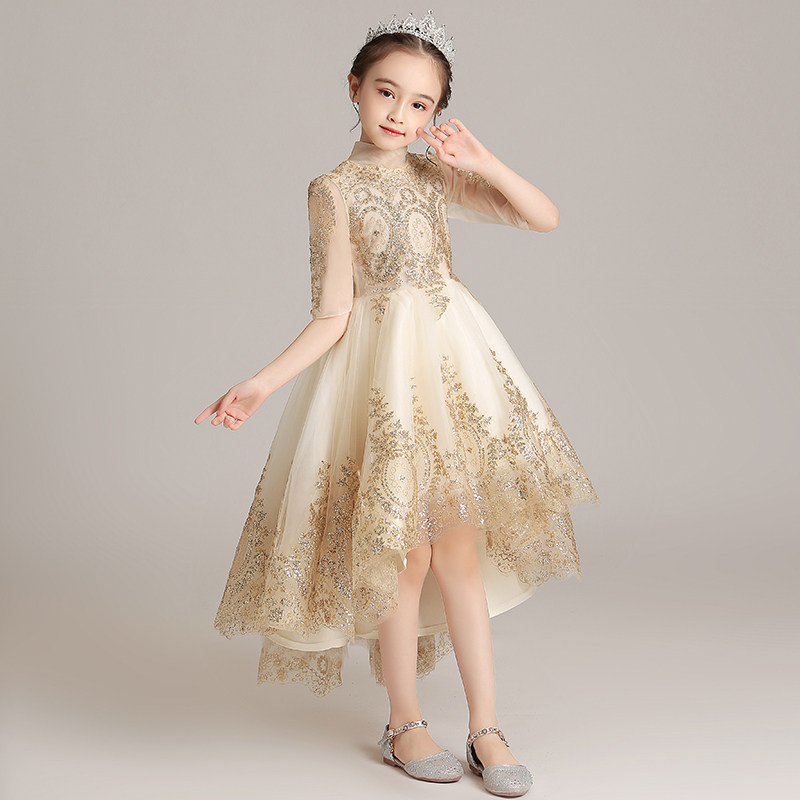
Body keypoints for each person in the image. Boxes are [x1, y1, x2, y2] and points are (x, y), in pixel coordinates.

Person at [194, 10, 599, 796]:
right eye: (386, 92)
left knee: (458, 548)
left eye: (421, 104)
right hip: (381, 377)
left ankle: (486, 727)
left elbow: (542, 216)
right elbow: (332, 314)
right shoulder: (334, 191)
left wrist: (483, 159)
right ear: (354, 87)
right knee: (402, 553)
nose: (399, 114)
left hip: (450, 370)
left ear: (436, 114)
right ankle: (404, 723)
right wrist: (261, 383)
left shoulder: (433, 175)